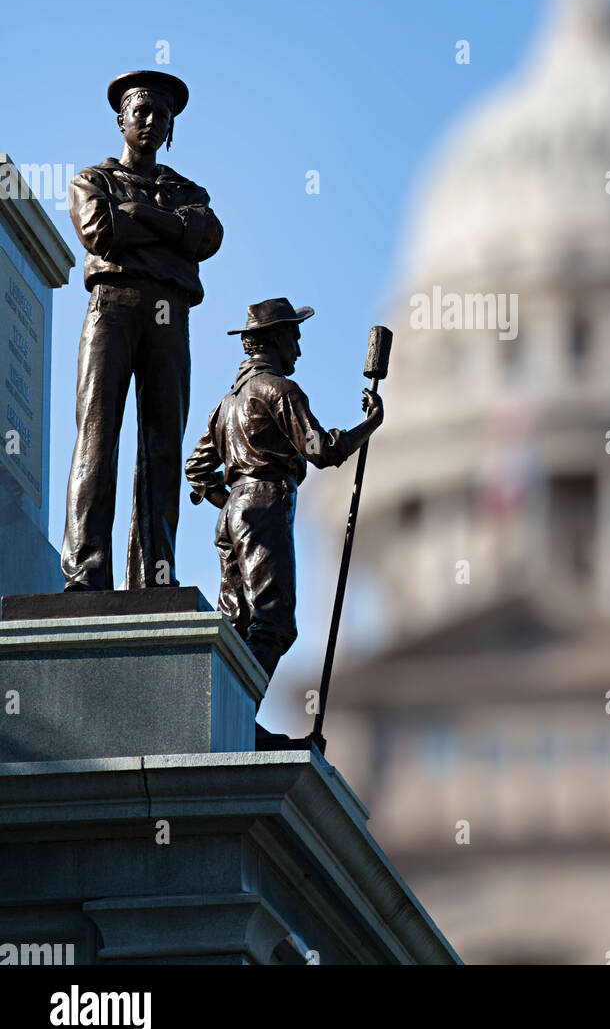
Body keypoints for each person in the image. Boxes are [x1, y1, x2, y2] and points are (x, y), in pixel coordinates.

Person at [61, 70, 223, 591]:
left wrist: (139, 215)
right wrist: (169, 227)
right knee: (96, 436)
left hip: (170, 319)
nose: (153, 122)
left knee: (162, 447)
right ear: (121, 120)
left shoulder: (188, 190)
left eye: (163, 116)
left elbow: (207, 236)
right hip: (113, 308)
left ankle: (155, 575)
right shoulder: (93, 180)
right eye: (142, 113)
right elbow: (100, 231)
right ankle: (87, 571)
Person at [184, 297, 384, 682]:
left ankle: (231, 720)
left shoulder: (227, 404)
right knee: (273, 623)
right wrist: (371, 423)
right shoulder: (279, 390)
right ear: (275, 340)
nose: (299, 348)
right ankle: (238, 715)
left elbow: (196, 469)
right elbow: (322, 451)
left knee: (237, 626)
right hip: (264, 504)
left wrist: (233, 506)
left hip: (233, 516)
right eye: (294, 337)